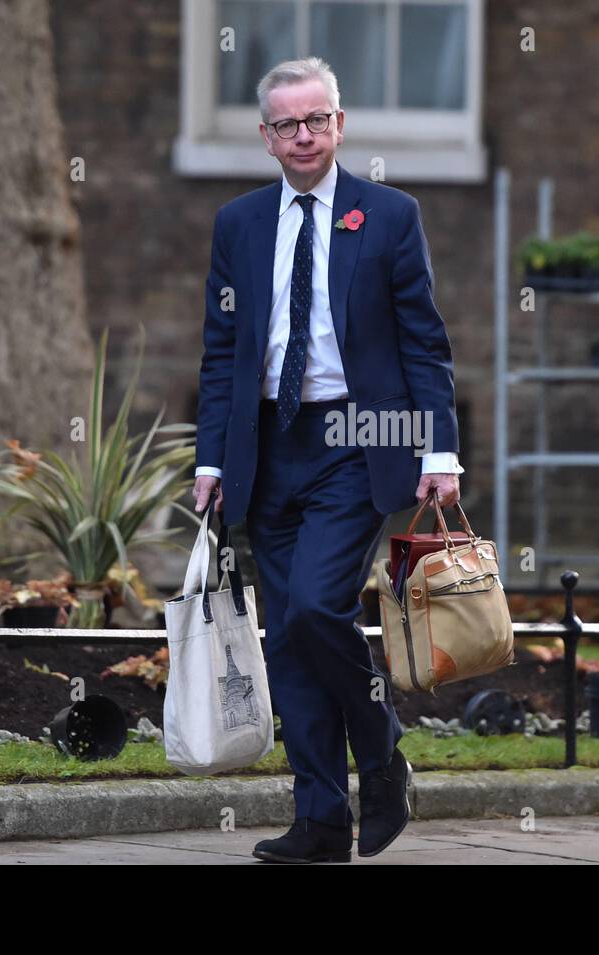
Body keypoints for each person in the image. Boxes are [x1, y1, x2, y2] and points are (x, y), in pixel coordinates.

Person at [191, 56, 462, 863]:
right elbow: (219, 355)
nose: (304, 135)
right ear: (266, 136)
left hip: (358, 440)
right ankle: (318, 820)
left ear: (340, 125)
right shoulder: (237, 224)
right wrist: (211, 459)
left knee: (315, 608)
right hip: (267, 445)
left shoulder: (388, 215)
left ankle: (381, 757)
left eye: (317, 119)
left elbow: (425, 342)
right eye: (287, 124)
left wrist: (439, 446)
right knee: (289, 641)